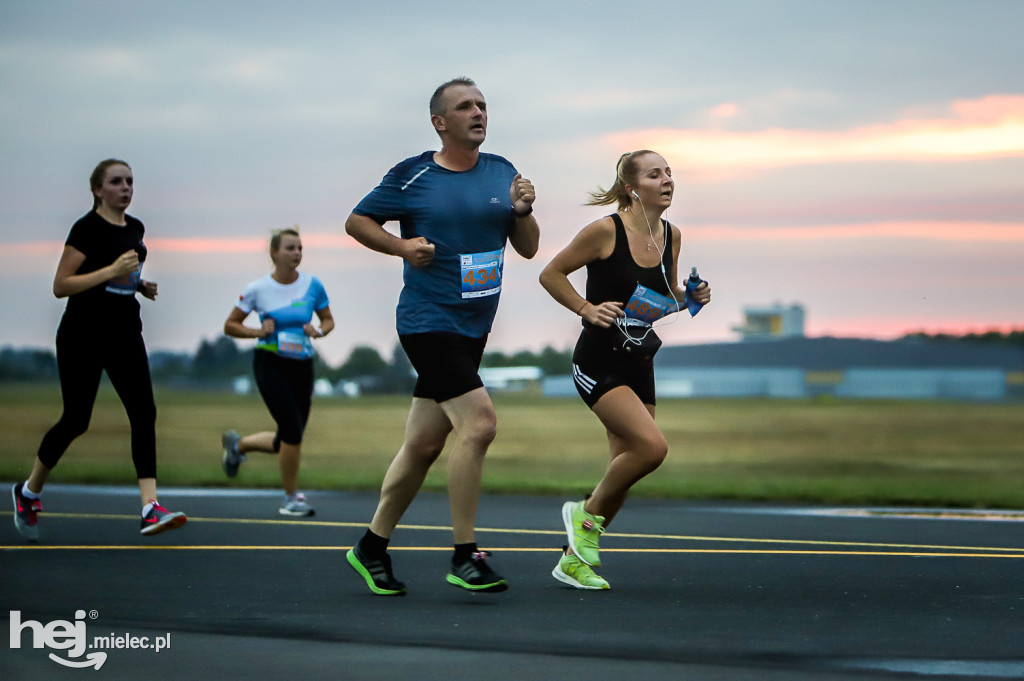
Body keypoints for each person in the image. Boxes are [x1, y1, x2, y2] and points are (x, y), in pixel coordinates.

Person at [343, 77, 539, 595]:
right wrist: (401, 249)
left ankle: (370, 547)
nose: (478, 112)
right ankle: (464, 555)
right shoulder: (412, 176)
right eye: (465, 106)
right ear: (440, 122)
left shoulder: (503, 171)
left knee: (425, 443)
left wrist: (522, 211)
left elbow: (529, 249)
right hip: (428, 323)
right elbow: (357, 221)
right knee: (479, 425)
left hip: (473, 328)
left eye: (482, 105)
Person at [538, 150, 711, 589]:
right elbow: (551, 273)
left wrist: (691, 297)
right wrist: (585, 307)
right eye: (655, 174)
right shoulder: (604, 231)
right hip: (597, 359)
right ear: (633, 188)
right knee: (651, 449)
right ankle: (581, 516)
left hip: (640, 360)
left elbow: (666, 295)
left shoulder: (671, 235)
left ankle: (572, 562)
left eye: (669, 173)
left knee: (624, 465)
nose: (668, 180)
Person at [11, 159, 187, 541]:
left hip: (125, 330)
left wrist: (138, 284)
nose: (125, 188)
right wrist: (110, 271)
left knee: (144, 411)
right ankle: (28, 492)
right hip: (82, 334)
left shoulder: (136, 228)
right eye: (116, 182)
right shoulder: (86, 229)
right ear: (97, 190)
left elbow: (124, 271)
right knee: (76, 419)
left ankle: (149, 507)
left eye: (130, 181)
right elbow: (61, 285)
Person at [221, 228, 334, 517]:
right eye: (290, 248)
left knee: (289, 436)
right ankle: (291, 498)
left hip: (303, 366)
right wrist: (257, 331)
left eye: (299, 248)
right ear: (274, 253)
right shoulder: (258, 289)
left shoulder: (313, 285)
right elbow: (230, 325)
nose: (296, 253)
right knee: (292, 431)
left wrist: (318, 331)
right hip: (270, 364)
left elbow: (328, 320)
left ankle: (238, 445)